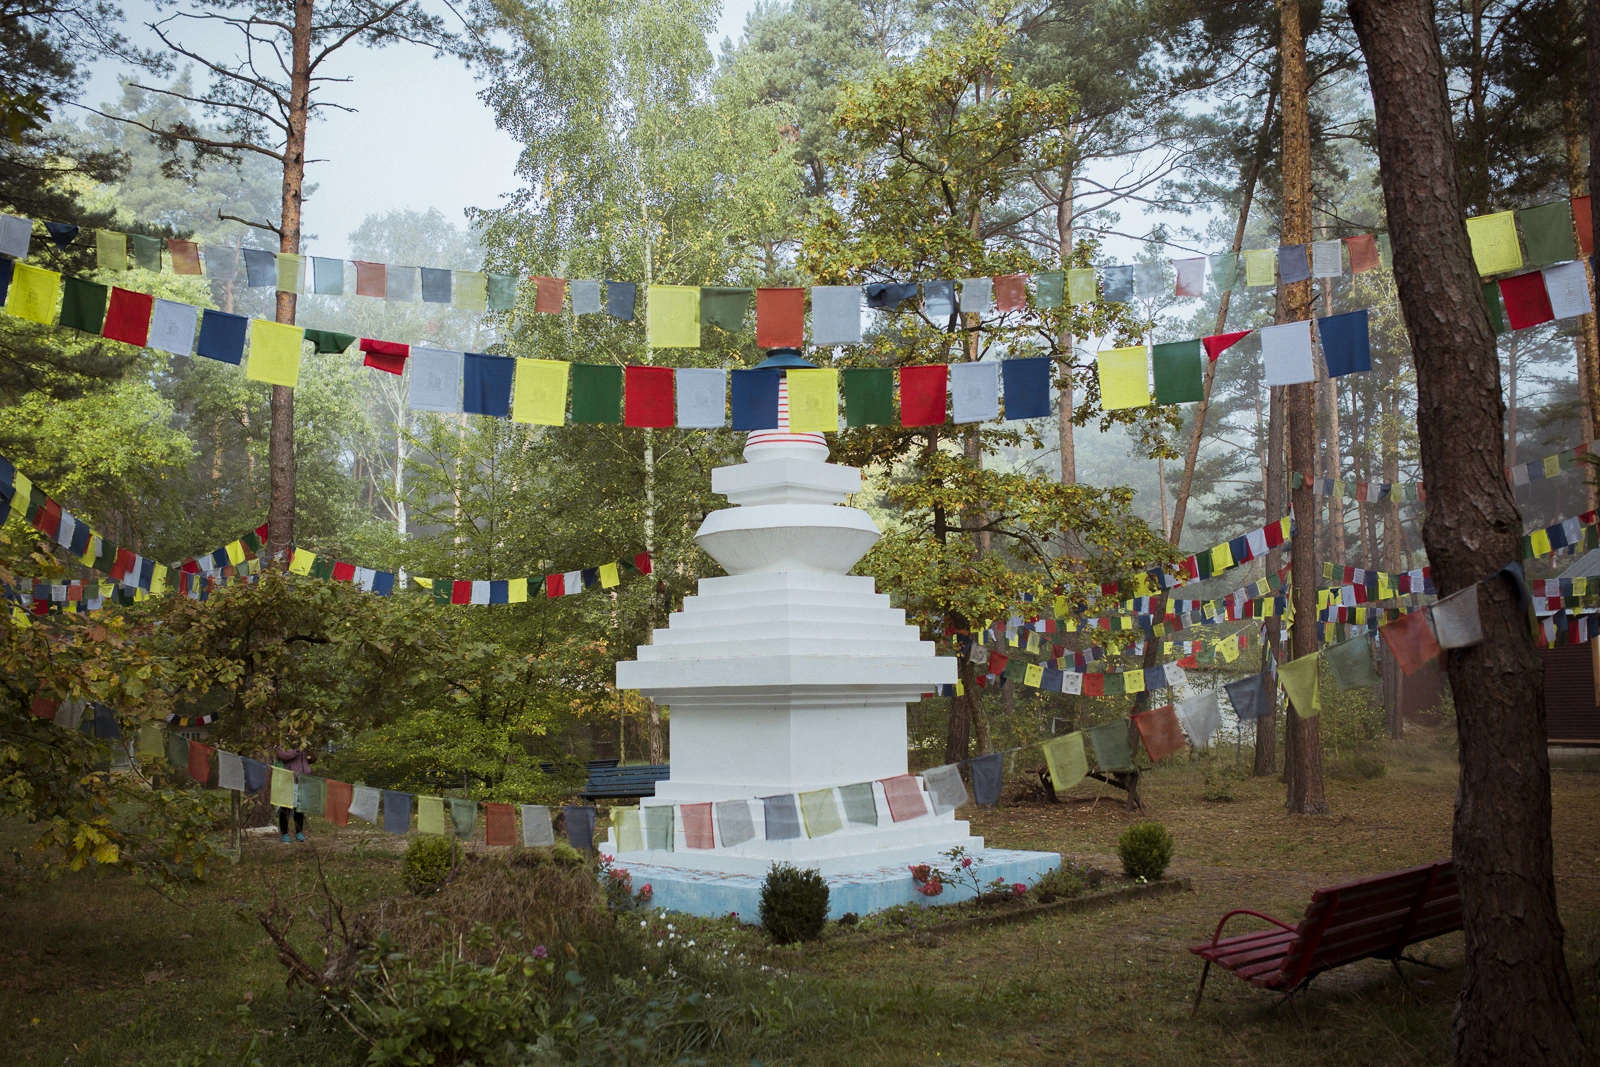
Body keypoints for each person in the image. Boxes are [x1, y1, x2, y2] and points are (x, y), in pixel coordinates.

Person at [276, 745, 316, 843]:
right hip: (289, 780)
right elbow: (282, 755)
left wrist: (312, 754)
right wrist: (298, 749)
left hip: (303, 780)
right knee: (286, 807)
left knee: (299, 807)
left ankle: (299, 832)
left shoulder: (304, 741)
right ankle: (284, 834)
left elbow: (312, 760)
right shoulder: (284, 742)